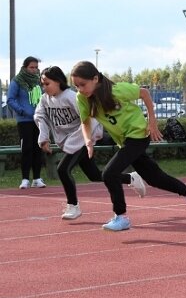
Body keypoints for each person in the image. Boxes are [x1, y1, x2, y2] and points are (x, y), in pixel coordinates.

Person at [70, 61, 186, 231]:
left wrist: (152, 122)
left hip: (138, 134)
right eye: (76, 86)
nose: (80, 89)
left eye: (83, 84)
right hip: (125, 140)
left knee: (109, 173)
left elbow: (145, 93)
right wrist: (88, 140)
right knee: (154, 178)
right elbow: (85, 122)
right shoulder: (82, 98)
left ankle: (121, 217)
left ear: (95, 79)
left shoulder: (117, 90)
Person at [34, 66, 146, 220]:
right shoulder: (45, 100)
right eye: (42, 84)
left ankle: (73, 206)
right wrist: (44, 138)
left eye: (47, 84)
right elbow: (40, 117)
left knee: (62, 169)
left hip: (80, 140)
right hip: (69, 142)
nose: (44, 87)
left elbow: (91, 120)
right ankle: (130, 178)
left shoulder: (70, 97)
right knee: (94, 175)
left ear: (58, 82)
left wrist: (87, 140)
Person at [7, 56, 46, 189]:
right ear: (25, 67)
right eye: (31, 67)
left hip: (38, 120)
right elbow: (10, 99)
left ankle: (37, 178)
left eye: (36, 67)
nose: (34, 70)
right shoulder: (17, 81)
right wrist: (22, 111)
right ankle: (25, 179)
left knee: (38, 148)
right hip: (24, 120)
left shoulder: (39, 81)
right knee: (27, 148)